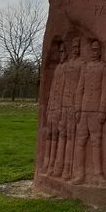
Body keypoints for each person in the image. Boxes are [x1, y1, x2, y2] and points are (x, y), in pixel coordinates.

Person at [72, 39, 106, 186]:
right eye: (92, 50)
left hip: (95, 110)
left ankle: (98, 175)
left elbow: (105, 90)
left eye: (96, 50)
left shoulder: (103, 67)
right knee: (80, 142)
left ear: (100, 51)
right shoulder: (85, 68)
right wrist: (77, 109)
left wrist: (102, 109)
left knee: (96, 142)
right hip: (84, 110)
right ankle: (79, 174)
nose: (94, 52)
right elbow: (79, 89)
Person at [53, 36, 83, 179]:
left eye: (77, 48)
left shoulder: (82, 64)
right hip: (63, 104)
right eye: (73, 48)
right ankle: (58, 167)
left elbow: (80, 86)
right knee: (62, 134)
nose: (75, 50)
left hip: (73, 104)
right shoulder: (66, 65)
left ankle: (68, 170)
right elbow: (60, 86)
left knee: (71, 136)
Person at [41, 41, 67, 175]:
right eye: (60, 52)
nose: (61, 55)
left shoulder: (67, 68)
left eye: (63, 52)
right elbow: (53, 90)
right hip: (52, 106)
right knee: (50, 135)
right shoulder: (57, 68)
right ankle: (48, 163)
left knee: (59, 135)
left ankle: (57, 166)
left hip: (61, 108)